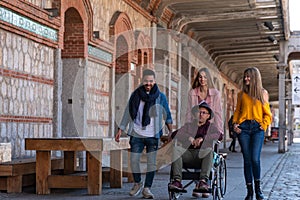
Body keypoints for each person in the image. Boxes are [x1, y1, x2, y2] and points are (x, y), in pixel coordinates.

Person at [115, 69, 173, 199]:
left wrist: (171, 132)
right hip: (136, 133)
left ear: (154, 81)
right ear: (142, 81)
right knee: (134, 160)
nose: (148, 83)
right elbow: (127, 113)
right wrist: (120, 129)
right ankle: (137, 183)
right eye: (146, 81)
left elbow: (167, 114)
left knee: (151, 163)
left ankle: (147, 188)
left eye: (151, 81)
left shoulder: (160, 97)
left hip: (153, 134)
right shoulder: (135, 95)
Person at [232, 67, 272, 200]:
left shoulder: (263, 93)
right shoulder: (241, 94)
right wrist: (235, 124)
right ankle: (249, 192)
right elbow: (237, 111)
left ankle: (258, 190)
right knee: (247, 160)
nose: (246, 79)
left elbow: (268, 114)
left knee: (255, 159)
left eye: (248, 76)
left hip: (257, 129)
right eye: (245, 76)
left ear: (255, 77)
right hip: (243, 129)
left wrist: (264, 125)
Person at [168, 101, 222, 198]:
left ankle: (203, 181)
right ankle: (177, 181)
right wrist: (189, 137)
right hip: (188, 154)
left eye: (203, 113)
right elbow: (174, 134)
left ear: (208, 116)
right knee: (176, 149)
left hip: (203, 155)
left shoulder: (211, 127)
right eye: (198, 112)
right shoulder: (188, 126)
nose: (201, 114)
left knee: (209, 151)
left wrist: (203, 138)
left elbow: (219, 135)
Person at [185, 67, 224, 197]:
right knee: (196, 149)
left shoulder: (215, 94)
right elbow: (188, 113)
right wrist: (188, 130)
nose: (202, 79)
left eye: (205, 77)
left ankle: (204, 181)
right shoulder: (192, 93)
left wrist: (219, 131)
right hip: (196, 126)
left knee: (206, 149)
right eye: (200, 77)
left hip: (210, 127)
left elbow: (218, 113)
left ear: (209, 79)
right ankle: (198, 184)